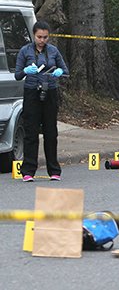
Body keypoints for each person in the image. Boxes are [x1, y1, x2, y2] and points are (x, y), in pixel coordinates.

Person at [15, 21, 69, 182]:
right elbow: (17, 75)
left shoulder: (53, 51)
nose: (42, 40)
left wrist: (59, 72)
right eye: (39, 37)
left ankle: (54, 170)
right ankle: (28, 171)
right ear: (34, 35)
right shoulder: (25, 51)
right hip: (32, 92)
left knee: (50, 132)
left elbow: (65, 70)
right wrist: (25, 71)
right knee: (31, 132)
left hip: (50, 92)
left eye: (45, 37)